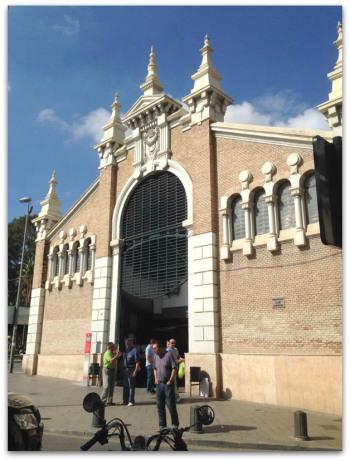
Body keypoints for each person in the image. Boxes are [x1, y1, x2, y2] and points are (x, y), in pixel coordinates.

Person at [152, 340, 179, 431]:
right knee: (160, 405)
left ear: (160, 348)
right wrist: (155, 378)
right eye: (153, 349)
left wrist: (171, 380)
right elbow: (155, 368)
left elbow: (174, 368)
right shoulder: (156, 356)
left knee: (170, 405)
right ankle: (162, 425)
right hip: (159, 384)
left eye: (155, 348)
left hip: (167, 384)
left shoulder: (169, 355)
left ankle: (175, 424)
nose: (154, 350)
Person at [121, 336, 141, 406]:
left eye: (128, 342)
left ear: (131, 342)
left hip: (131, 369)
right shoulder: (125, 350)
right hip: (125, 370)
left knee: (131, 386)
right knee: (125, 385)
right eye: (125, 342)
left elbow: (137, 362)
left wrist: (135, 371)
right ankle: (125, 400)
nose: (126, 344)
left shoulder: (134, 350)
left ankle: (131, 400)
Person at [101, 342, 121, 406]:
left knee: (111, 386)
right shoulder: (107, 353)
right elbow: (111, 360)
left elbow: (115, 357)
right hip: (107, 371)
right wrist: (117, 355)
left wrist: (117, 354)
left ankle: (109, 401)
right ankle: (101, 401)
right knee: (106, 386)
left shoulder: (112, 352)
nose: (115, 347)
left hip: (112, 370)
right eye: (113, 346)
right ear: (110, 347)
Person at [166, 338, 184, 403]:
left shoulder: (176, 349)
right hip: (169, 369)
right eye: (172, 343)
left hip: (175, 368)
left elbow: (178, 356)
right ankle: (172, 397)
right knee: (170, 383)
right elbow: (171, 361)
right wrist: (179, 361)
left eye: (174, 343)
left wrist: (181, 358)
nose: (173, 344)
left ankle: (176, 397)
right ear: (169, 343)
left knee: (174, 383)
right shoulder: (167, 351)